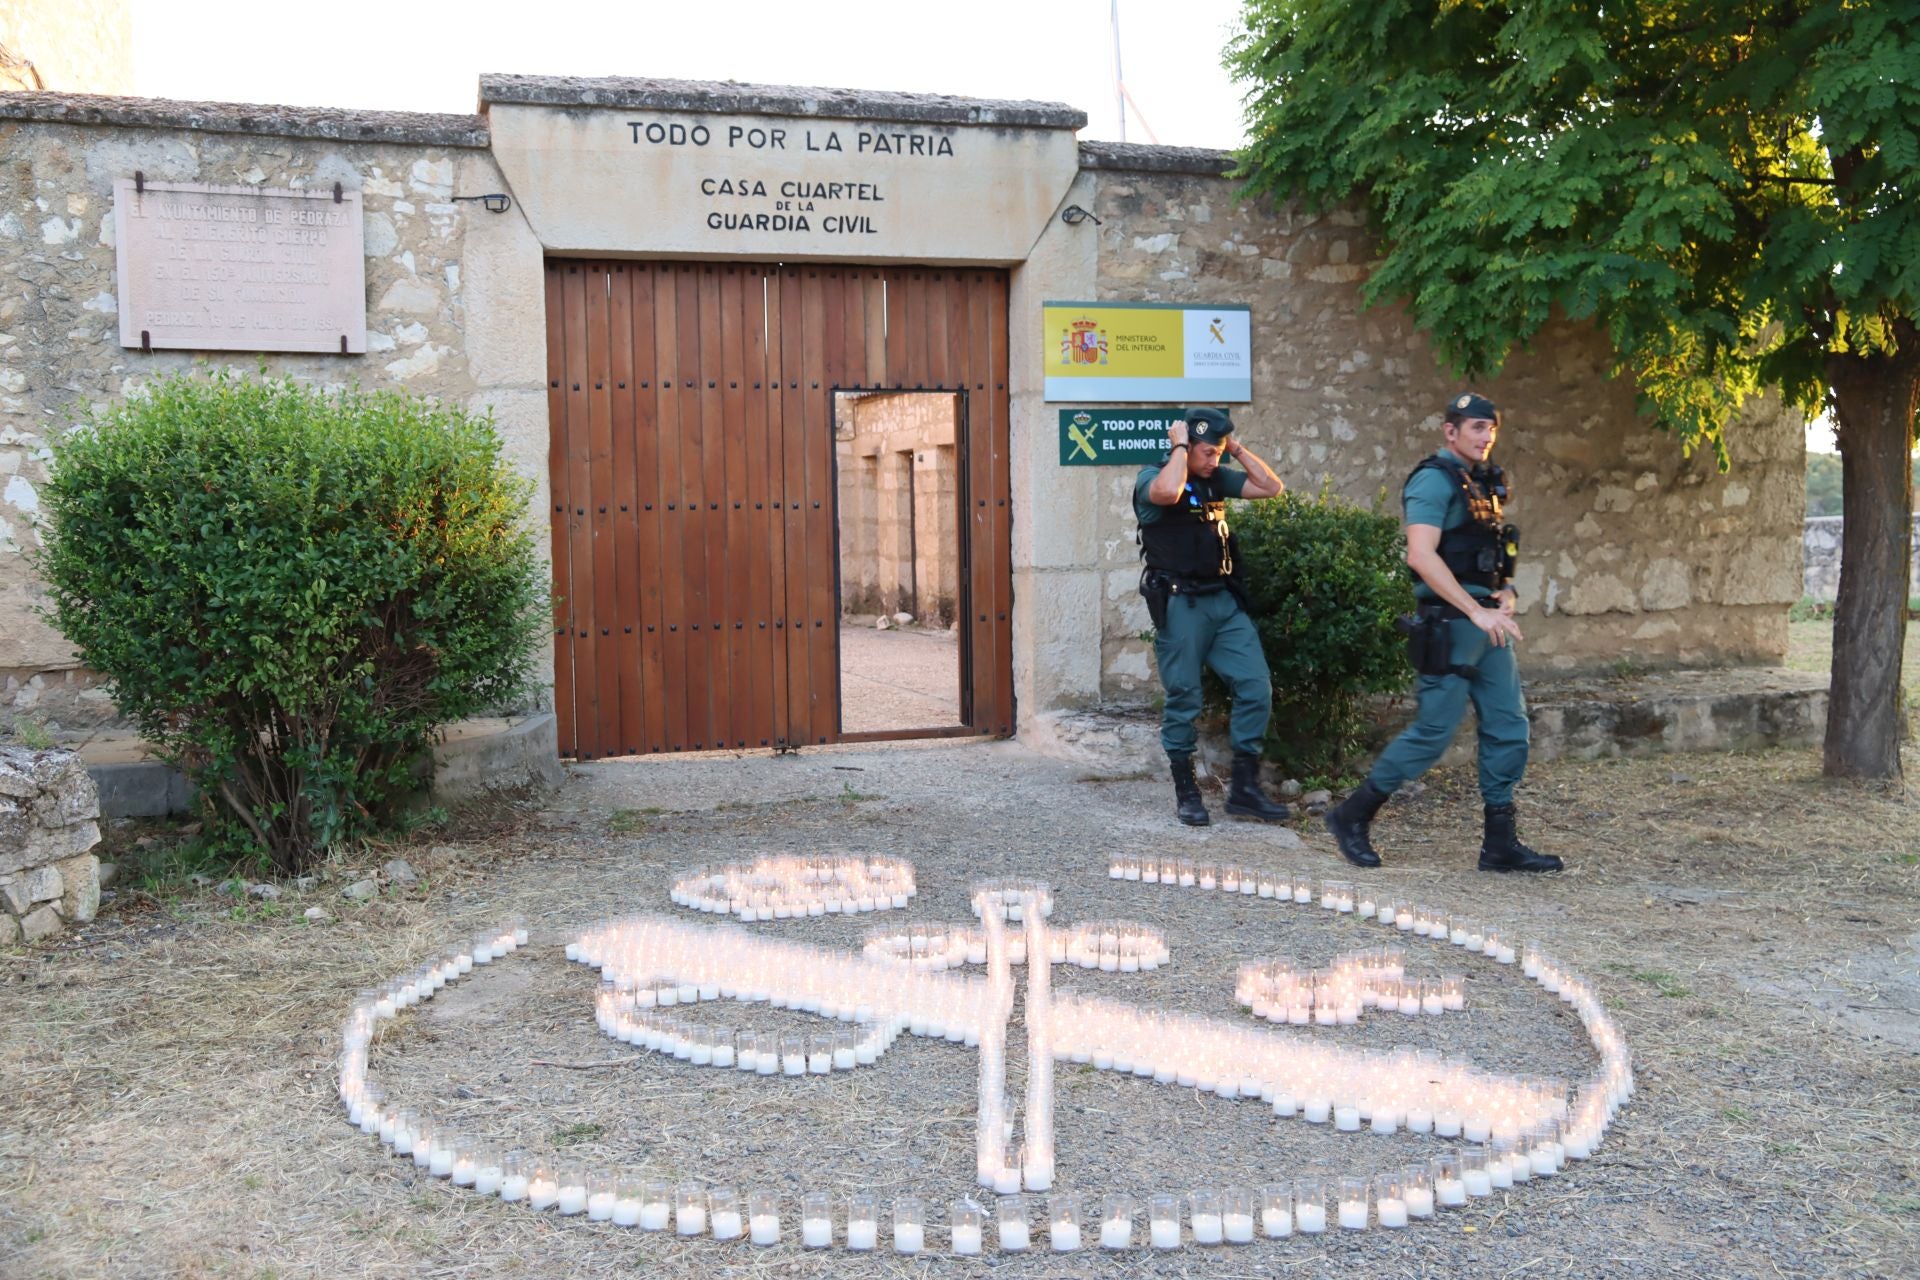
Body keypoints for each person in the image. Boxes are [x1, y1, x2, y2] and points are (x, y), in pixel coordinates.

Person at [1323, 393, 1562, 872]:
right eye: (1475, 427)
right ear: (1450, 431)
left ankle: (1499, 844)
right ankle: (1351, 816)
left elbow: (1494, 553)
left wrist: (1506, 591)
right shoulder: (1434, 481)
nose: (1485, 436)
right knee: (1433, 733)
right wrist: (1475, 610)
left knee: (1509, 728)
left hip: (1489, 621)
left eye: (1490, 428)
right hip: (1452, 625)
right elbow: (1421, 555)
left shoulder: (1485, 482)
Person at [1135, 407, 1291, 826]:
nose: (1213, 462)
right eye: (1208, 453)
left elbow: (1271, 487)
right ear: (1185, 448)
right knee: (1185, 697)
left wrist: (1233, 448)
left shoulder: (1217, 476)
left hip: (1223, 603)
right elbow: (1167, 495)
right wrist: (1181, 449)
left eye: (1217, 453)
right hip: (1181, 604)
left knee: (1256, 687)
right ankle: (1186, 790)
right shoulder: (1153, 477)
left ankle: (1244, 790)